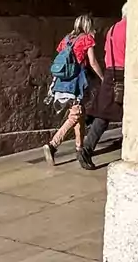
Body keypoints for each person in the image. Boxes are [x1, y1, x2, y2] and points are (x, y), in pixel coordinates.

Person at [42, 14, 99, 166]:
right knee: (75, 116)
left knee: (79, 114)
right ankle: (52, 145)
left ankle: (80, 149)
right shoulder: (87, 39)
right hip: (76, 84)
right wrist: (103, 77)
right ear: (88, 25)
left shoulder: (67, 39)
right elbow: (92, 62)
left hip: (63, 83)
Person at [80, 3, 127, 170]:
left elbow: (108, 52)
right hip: (125, 74)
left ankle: (86, 149)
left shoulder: (112, 29)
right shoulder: (134, 28)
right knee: (132, 112)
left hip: (110, 73)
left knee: (103, 115)